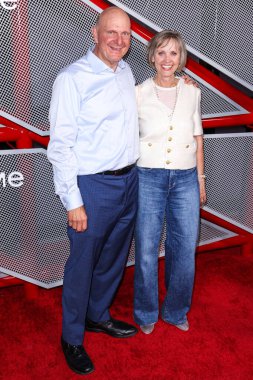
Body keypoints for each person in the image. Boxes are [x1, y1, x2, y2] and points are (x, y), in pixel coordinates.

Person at [47, 7, 140, 375]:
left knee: (114, 259)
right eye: (111, 32)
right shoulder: (72, 78)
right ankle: (71, 337)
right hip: (92, 187)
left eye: (126, 34)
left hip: (129, 182)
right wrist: (73, 201)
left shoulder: (126, 71)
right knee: (82, 266)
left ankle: (97, 316)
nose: (118, 40)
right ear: (94, 32)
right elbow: (60, 146)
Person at [133, 30, 206, 335]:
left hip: (187, 178)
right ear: (152, 57)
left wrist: (201, 181)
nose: (167, 59)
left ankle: (176, 311)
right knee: (147, 249)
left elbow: (197, 137)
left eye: (173, 53)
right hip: (148, 177)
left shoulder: (193, 91)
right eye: (161, 52)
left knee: (184, 247)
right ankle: (146, 312)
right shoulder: (136, 93)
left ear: (181, 59)